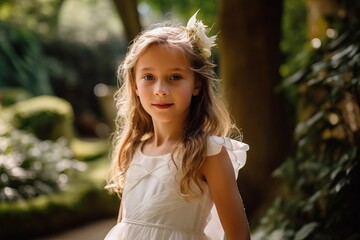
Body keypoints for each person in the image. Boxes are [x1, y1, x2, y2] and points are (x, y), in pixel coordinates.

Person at [104, 10, 250, 240]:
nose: (160, 90)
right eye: (149, 77)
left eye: (174, 77)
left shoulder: (209, 153)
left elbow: (238, 235)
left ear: (196, 85)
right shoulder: (133, 148)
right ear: (134, 85)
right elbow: (125, 226)